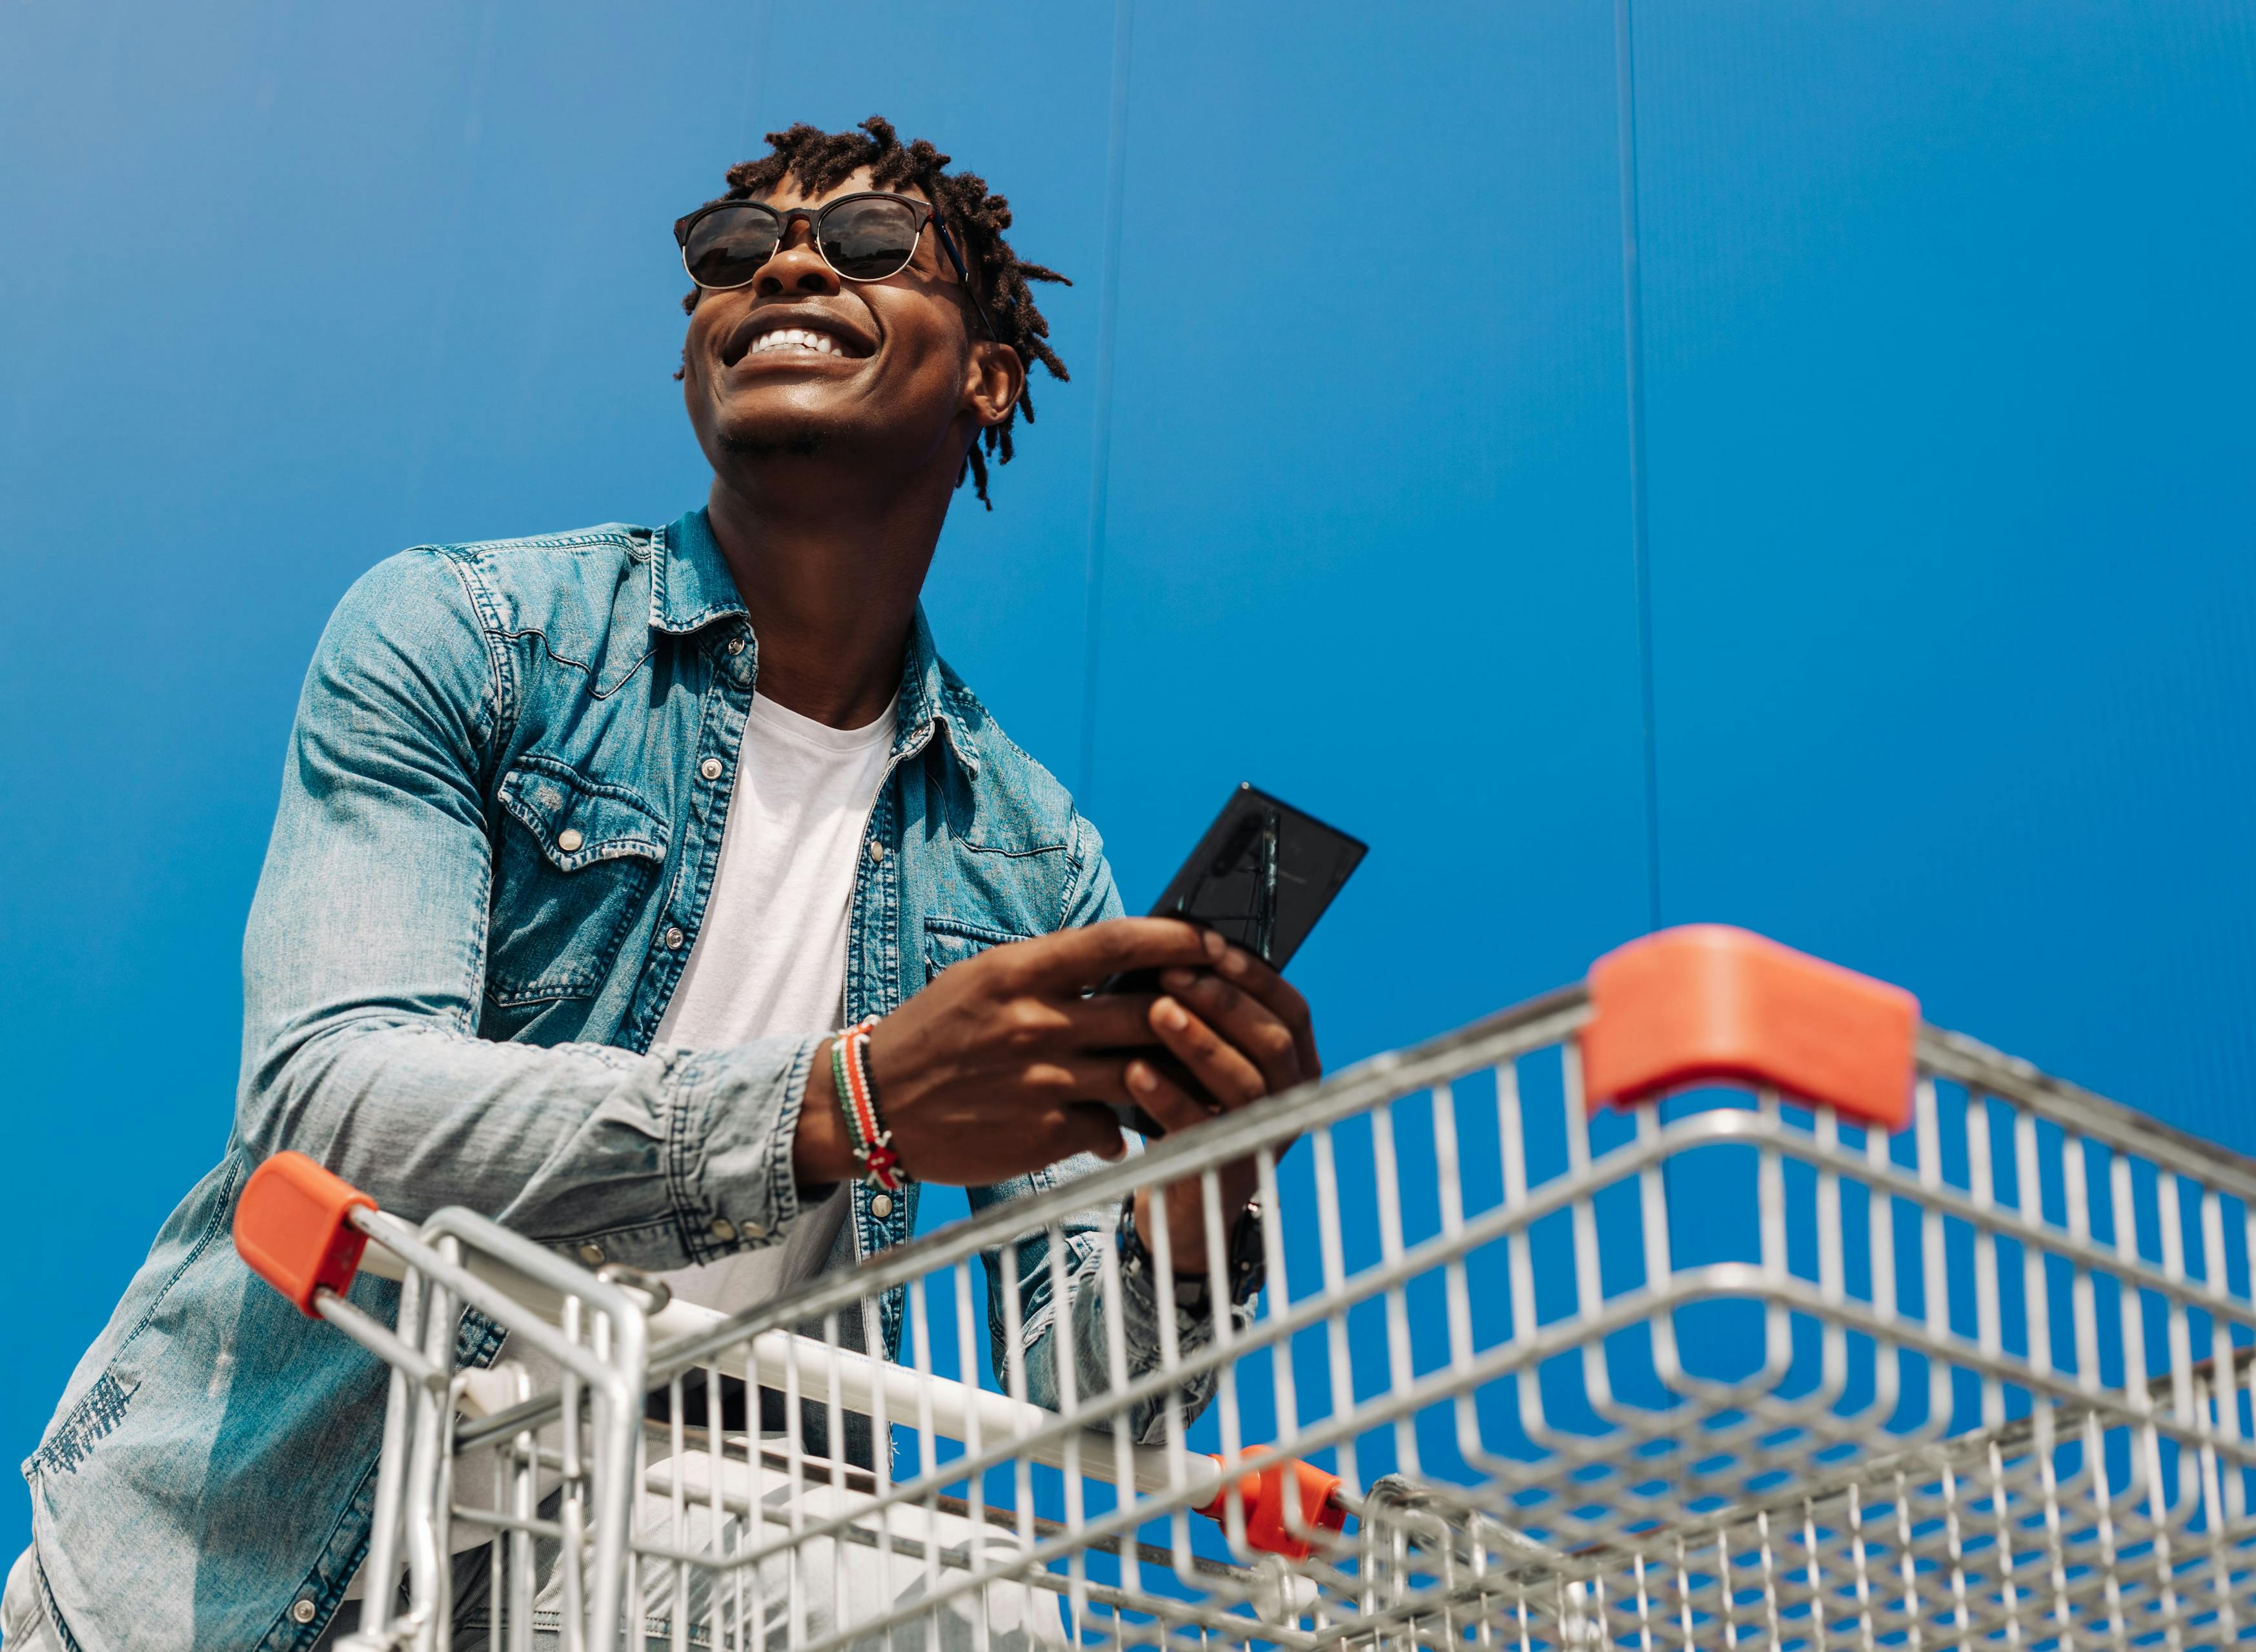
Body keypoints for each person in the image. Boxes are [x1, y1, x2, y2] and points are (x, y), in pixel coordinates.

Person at [8, 116, 1318, 1652]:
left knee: (985, 1618)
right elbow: (335, 1097)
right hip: (243, 1586)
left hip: (671, 1572)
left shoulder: (1030, 856)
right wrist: (850, 1098)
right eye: (733, 250)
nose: (791, 264)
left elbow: (1084, 1398)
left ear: (989, 377)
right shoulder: (469, 636)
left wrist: (1199, 1190)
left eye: (876, 242)